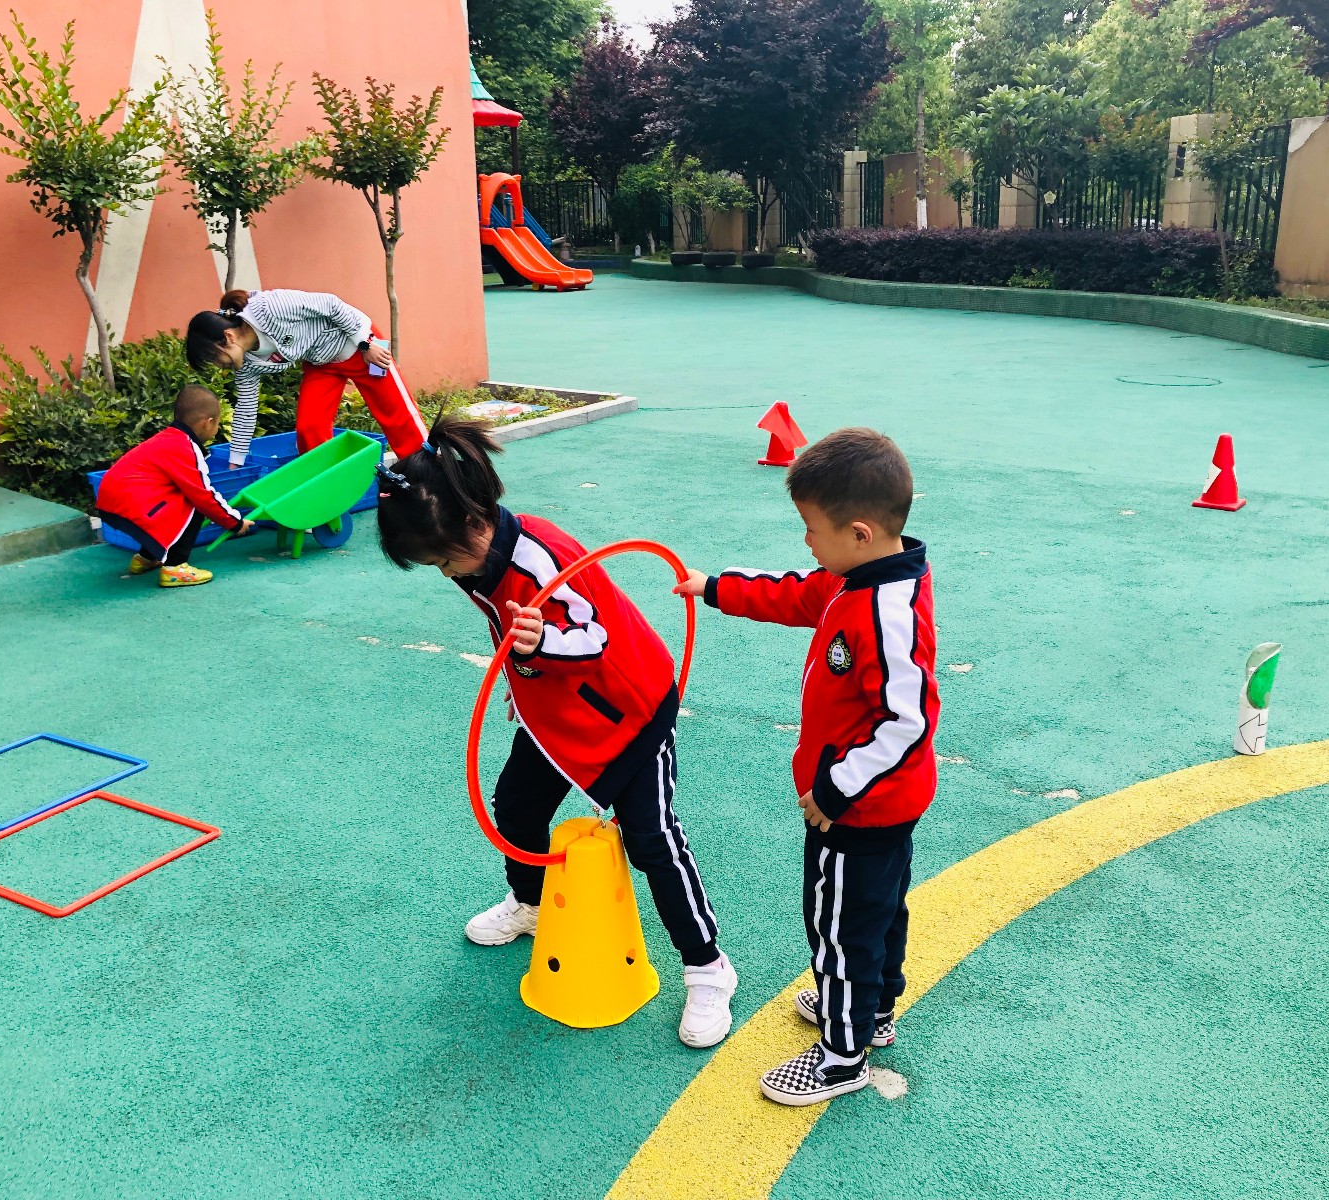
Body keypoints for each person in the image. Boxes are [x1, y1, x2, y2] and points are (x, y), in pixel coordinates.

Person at [376, 412, 738, 1049]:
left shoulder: (540, 559)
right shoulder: (474, 554)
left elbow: (595, 637)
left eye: (445, 559)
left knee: (652, 839)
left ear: (475, 521)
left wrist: (541, 644)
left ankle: (708, 967)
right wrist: (524, 676)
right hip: (553, 709)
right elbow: (509, 626)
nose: (447, 574)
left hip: (628, 708)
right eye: (434, 565)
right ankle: (531, 901)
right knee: (515, 805)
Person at [672, 427, 939, 1104]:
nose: (806, 541)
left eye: (812, 529)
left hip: (859, 807)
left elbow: (906, 722)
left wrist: (835, 788)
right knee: (877, 912)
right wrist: (714, 588)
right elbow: (793, 594)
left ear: (858, 533)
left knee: (840, 929)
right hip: (882, 802)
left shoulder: (887, 611)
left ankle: (842, 1057)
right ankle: (873, 1012)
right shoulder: (858, 577)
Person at [184, 289, 428, 467]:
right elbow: (246, 410)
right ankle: (326, 490)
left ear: (227, 337)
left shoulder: (269, 308)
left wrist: (366, 344)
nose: (219, 366)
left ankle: (428, 474)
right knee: (309, 429)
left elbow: (332, 304)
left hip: (359, 347)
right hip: (321, 363)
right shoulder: (246, 363)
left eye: (215, 357)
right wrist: (235, 462)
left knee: (397, 415)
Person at [95, 385, 254, 588]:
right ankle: (174, 567)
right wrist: (235, 523)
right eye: (217, 423)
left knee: (175, 497)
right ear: (207, 423)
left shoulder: (168, 438)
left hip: (110, 503)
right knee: (194, 501)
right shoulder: (186, 448)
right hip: (130, 505)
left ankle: (145, 558)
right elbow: (204, 496)